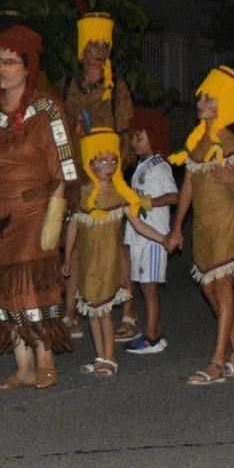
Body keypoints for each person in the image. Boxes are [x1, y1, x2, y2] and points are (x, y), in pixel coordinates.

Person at [0, 21, 78, 390]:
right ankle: (23, 367)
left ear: (28, 67)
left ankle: (45, 360)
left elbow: (64, 166)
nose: (3, 69)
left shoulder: (47, 111)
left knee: (28, 289)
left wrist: (55, 214)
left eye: (11, 62)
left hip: (33, 213)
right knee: (3, 291)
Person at [165, 66, 234, 384]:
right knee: (209, 289)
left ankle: (217, 361)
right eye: (202, 98)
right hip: (205, 226)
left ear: (223, 104)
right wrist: (177, 227)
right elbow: (188, 187)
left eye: (209, 99)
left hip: (226, 223)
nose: (201, 103)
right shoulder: (197, 140)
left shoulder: (230, 143)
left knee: (223, 289)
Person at [59, 10, 135, 338]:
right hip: (77, 176)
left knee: (116, 245)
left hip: (108, 174)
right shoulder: (67, 86)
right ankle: (71, 312)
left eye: (104, 47)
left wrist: (115, 177)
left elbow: (126, 133)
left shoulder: (116, 88)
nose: (99, 53)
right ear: (82, 51)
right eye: (93, 46)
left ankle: (128, 313)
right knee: (76, 243)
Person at [65, 128, 163, 379]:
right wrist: (67, 258)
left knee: (104, 312)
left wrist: (164, 238)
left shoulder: (119, 194)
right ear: (90, 163)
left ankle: (110, 358)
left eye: (113, 161)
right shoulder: (83, 192)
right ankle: (100, 356)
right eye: (102, 161)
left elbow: (138, 224)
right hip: (88, 261)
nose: (109, 167)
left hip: (108, 261)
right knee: (92, 311)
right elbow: (74, 225)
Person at [123, 109, 178, 354]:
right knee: (145, 286)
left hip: (154, 237)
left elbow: (174, 196)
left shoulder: (159, 166)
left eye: (140, 137)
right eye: (133, 137)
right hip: (140, 236)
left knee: (149, 287)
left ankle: (152, 337)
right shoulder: (142, 166)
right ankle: (155, 330)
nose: (135, 142)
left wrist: (149, 203)